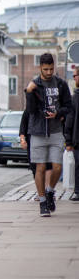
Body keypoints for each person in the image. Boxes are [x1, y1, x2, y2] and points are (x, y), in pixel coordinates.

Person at [25, 53, 73, 216]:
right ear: (40, 68)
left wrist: (58, 113)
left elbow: (69, 107)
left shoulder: (61, 84)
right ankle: (43, 202)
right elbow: (30, 110)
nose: (49, 72)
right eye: (45, 69)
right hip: (38, 132)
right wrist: (29, 92)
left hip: (55, 131)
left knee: (58, 167)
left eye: (51, 69)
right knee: (40, 167)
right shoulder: (34, 84)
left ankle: (50, 191)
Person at [63, 66, 79, 201]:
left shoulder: (74, 98)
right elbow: (69, 120)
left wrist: (68, 140)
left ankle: (78, 191)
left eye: (75, 76)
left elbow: (69, 121)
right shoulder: (74, 97)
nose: (74, 78)